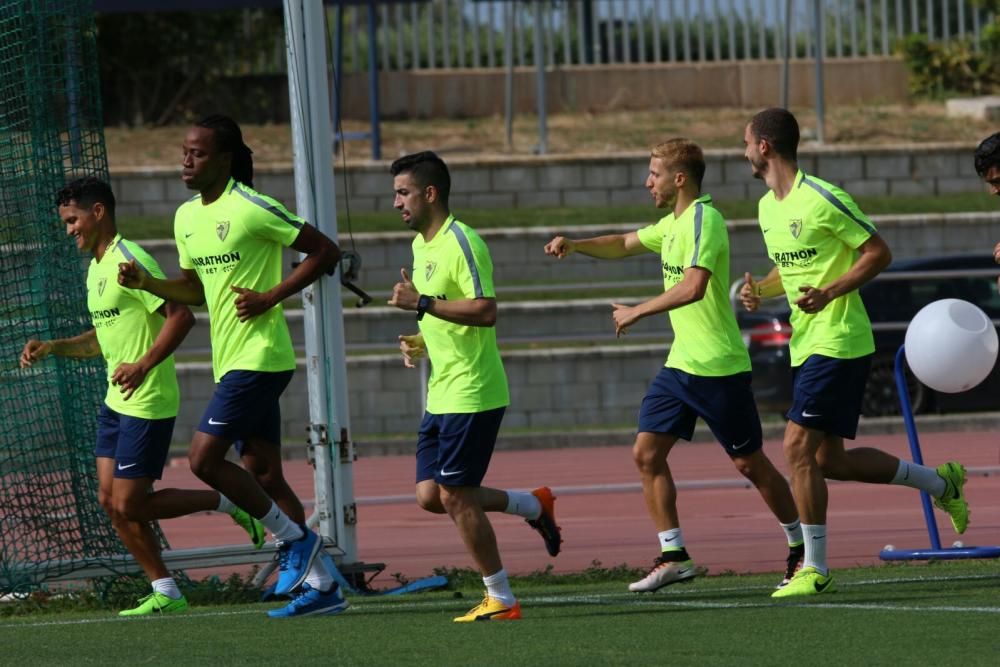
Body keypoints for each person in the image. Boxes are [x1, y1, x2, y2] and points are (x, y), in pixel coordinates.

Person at [543, 139, 803, 593]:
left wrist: (637, 311)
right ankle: (674, 555)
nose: (648, 182)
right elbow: (624, 243)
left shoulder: (706, 219)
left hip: (719, 368)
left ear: (678, 179)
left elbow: (694, 287)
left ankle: (802, 549)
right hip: (681, 366)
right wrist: (577, 244)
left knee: (750, 464)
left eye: (654, 174)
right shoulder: (672, 223)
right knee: (646, 453)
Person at [118, 115, 345, 618]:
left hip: (261, 358)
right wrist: (147, 285)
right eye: (184, 151)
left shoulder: (252, 206)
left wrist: (270, 296)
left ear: (224, 159)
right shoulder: (184, 218)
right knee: (262, 473)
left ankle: (297, 542)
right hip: (231, 361)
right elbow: (195, 291)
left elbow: (325, 250)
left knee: (202, 459)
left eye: (198, 153)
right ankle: (324, 589)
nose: (186, 160)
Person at [740, 108, 969, 598]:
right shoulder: (766, 208)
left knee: (795, 448)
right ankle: (940, 483)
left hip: (840, 340)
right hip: (807, 343)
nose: (741, 153)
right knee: (829, 462)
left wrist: (831, 292)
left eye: (745, 143)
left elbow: (878, 252)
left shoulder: (823, 197)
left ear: (764, 146)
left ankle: (816, 567)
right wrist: (761, 288)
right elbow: (790, 269)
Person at [20, 177, 265, 616]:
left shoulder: (129, 259)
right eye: (65, 223)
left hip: (148, 399)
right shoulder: (95, 268)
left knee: (130, 501)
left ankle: (226, 501)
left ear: (98, 212)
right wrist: (54, 347)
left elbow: (181, 316)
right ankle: (166, 590)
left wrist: (143, 364)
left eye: (73, 220)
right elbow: (102, 340)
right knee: (109, 502)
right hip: (117, 402)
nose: (69, 230)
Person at [387, 151, 561, 622]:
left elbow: (485, 311)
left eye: (403, 193)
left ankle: (500, 596)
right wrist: (421, 339)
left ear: (430, 193)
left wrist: (420, 302)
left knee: (455, 495)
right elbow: (447, 312)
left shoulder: (463, 241)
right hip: (441, 392)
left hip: (474, 390)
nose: (396, 203)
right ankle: (532, 504)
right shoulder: (422, 247)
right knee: (431, 494)